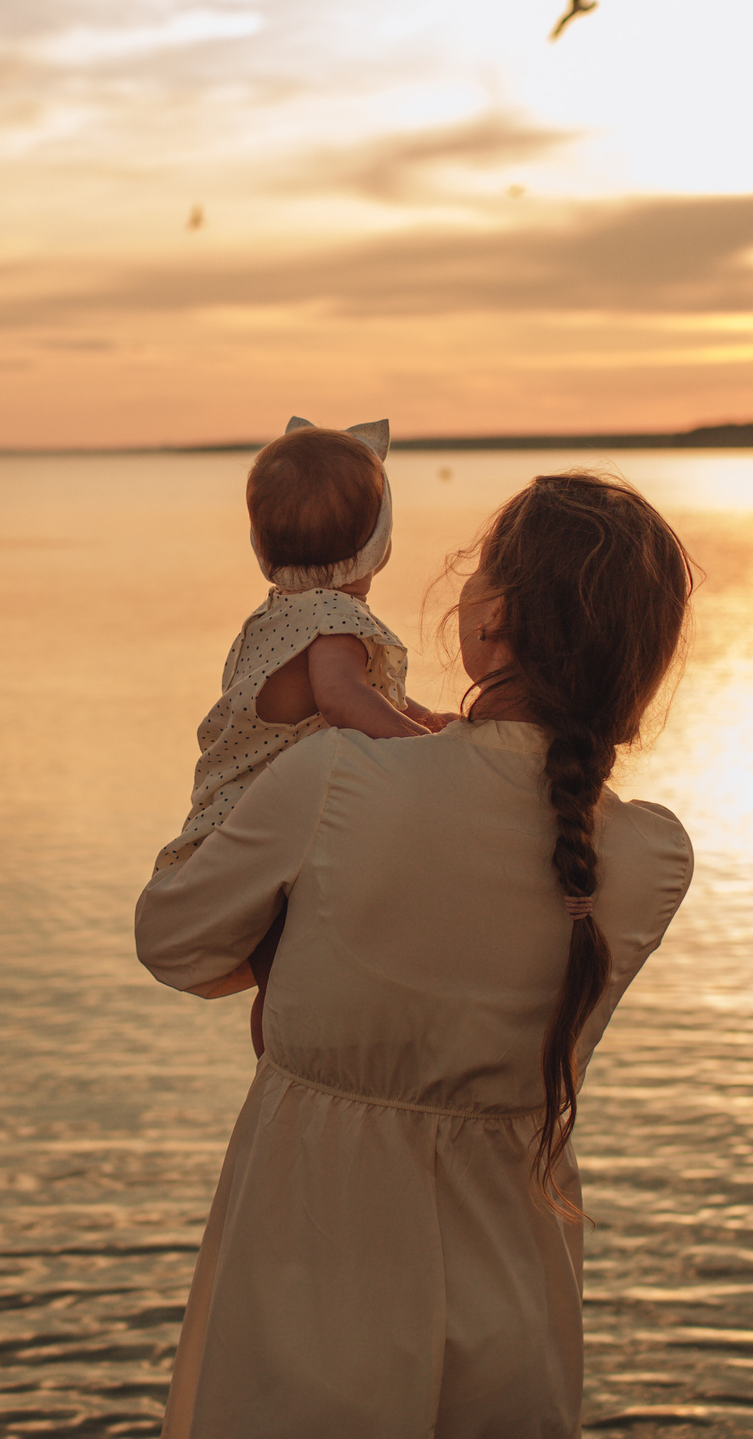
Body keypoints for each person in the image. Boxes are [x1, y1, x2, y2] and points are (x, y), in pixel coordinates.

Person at [136, 470, 696, 1437]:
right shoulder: (649, 856)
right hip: (514, 1304)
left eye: (480, 570)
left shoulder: (336, 776)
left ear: (495, 625)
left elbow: (174, 939)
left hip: (309, 1283)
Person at [154, 417, 455, 1051]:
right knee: (289, 981)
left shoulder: (278, 616)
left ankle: (280, 1071)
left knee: (279, 977)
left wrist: (420, 715)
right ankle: (290, 1069)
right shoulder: (334, 618)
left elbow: (352, 698)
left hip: (234, 818)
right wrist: (426, 749)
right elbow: (343, 700)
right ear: (381, 544)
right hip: (278, 830)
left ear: (262, 548)